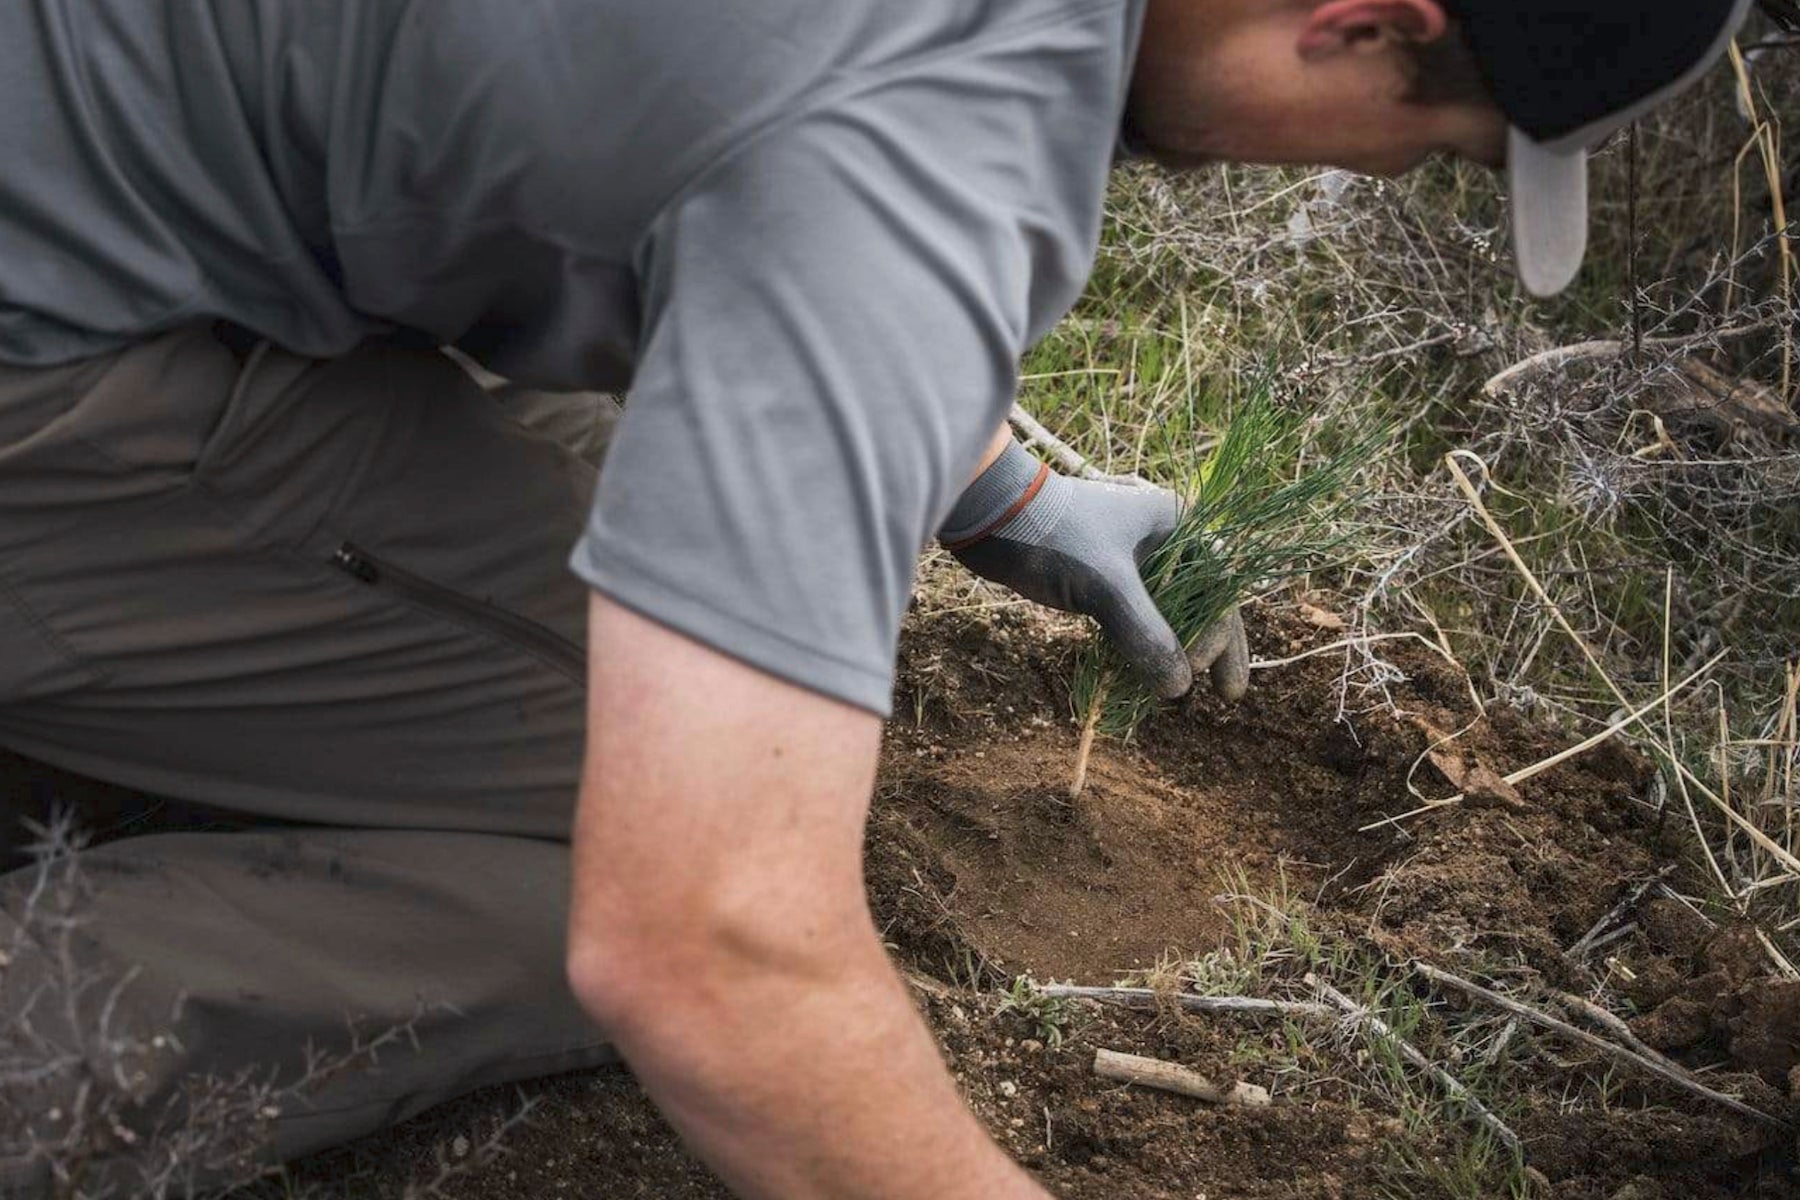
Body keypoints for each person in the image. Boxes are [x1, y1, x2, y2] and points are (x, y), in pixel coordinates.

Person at [0, 0, 1754, 1195]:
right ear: (1364, 22)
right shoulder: (942, 142)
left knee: (660, 597)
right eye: (1428, 144)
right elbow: (704, 948)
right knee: (606, 836)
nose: (1372, 173)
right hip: (44, 341)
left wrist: (991, 478)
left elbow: (691, 124)